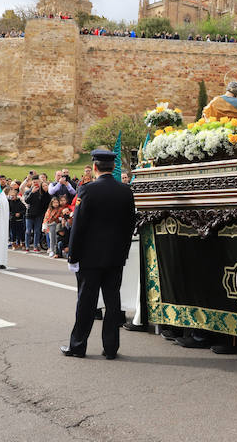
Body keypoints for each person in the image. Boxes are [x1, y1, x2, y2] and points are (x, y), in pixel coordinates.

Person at [61, 149, 136, 360]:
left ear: (94, 167)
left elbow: (79, 226)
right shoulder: (125, 191)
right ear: (113, 168)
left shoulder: (87, 190)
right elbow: (130, 224)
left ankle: (78, 345)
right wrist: (123, 251)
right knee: (113, 303)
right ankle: (111, 348)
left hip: (90, 257)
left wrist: (72, 255)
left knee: (86, 302)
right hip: (115, 257)